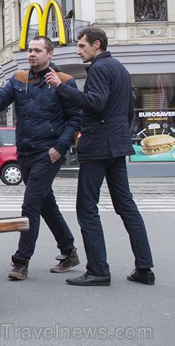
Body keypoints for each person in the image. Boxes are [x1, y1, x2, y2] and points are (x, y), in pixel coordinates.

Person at [46, 26, 154, 286]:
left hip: (98, 146)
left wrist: (62, 87)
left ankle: (98, 270)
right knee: (126, 206)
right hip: (116, 144)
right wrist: (117, 133)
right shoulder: (120, 68)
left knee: (86, 207)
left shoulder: (98, 69)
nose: (78, 50)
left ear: (96, 44)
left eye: (82, 46)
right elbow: (128, 110)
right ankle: (144, 268)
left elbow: (94, 103)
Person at [0, 35, 82, 281]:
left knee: (30, 205)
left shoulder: (63, 81)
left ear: (50, 54)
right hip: (25, 152)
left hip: (49, 153)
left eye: (37, 50)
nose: (31, 54)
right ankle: (69, 252)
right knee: (46, 204)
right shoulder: (19, 79)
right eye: (29, 50)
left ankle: (21, 261)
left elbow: (75, 119)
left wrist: (60, 147)